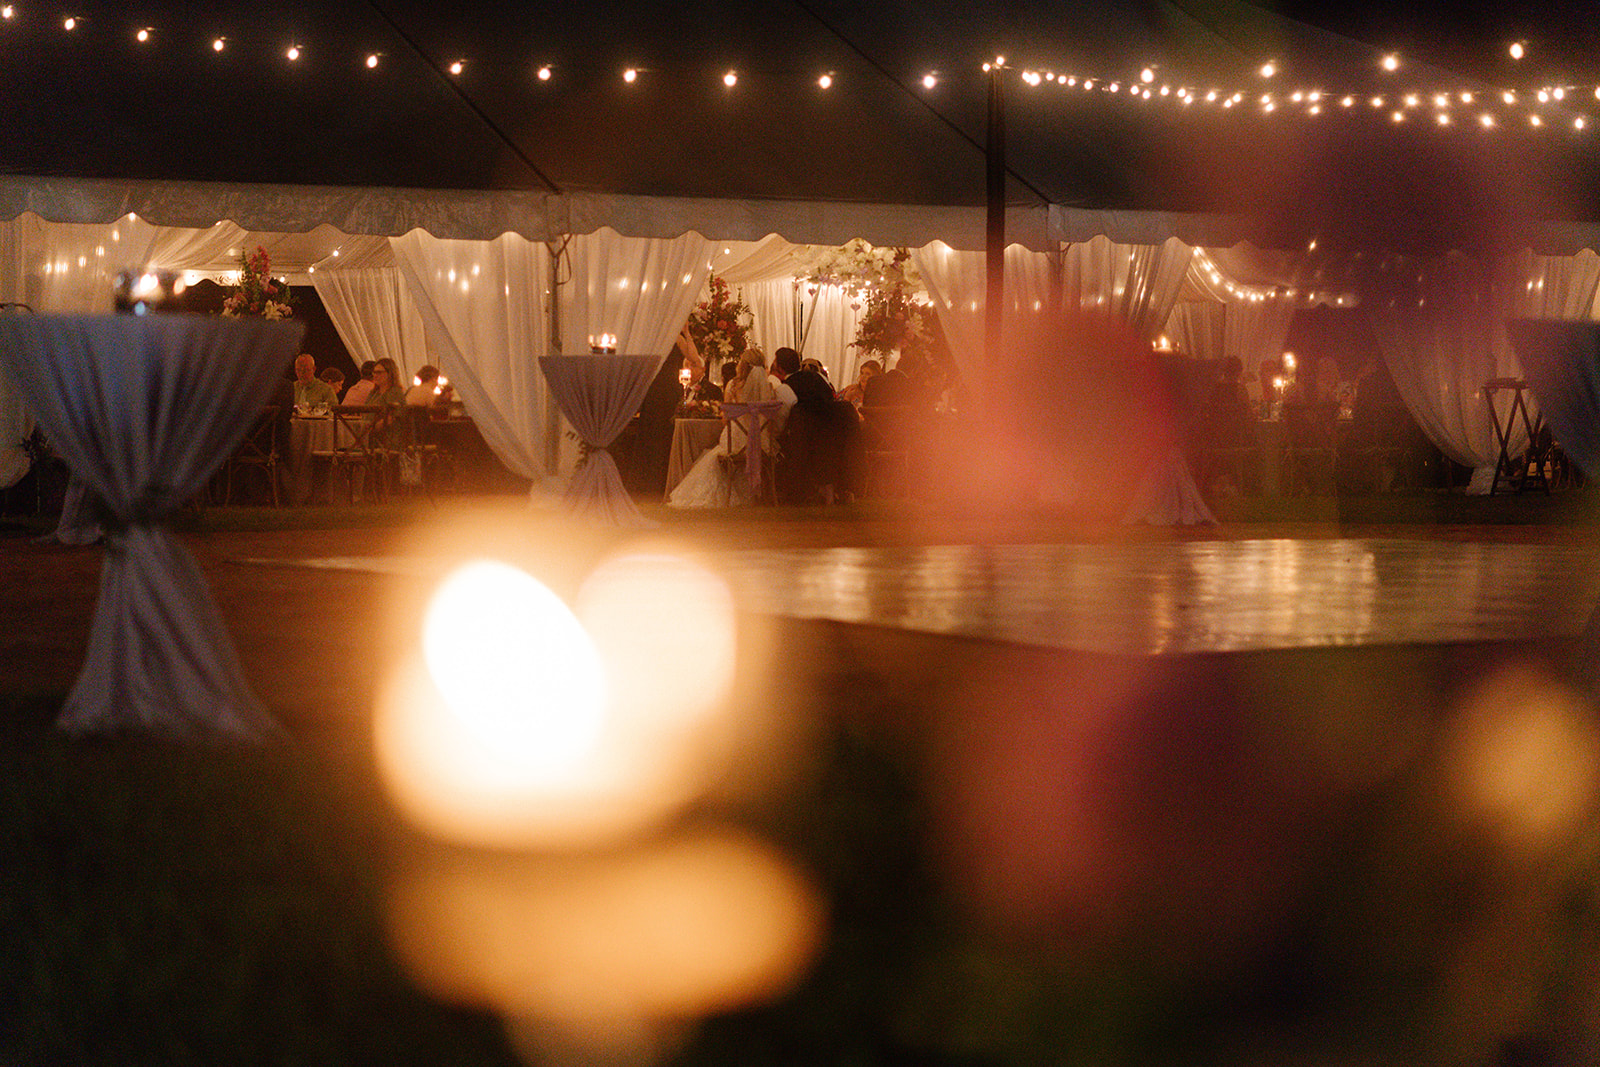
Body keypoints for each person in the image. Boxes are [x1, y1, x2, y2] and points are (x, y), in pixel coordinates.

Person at [668, 346, 780, 508]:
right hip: (762, 444)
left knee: (712, 456)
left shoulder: (733, 386)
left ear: (742, 365)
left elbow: (726, 420)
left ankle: (728, 493)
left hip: (737, 443)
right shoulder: (769, 387)